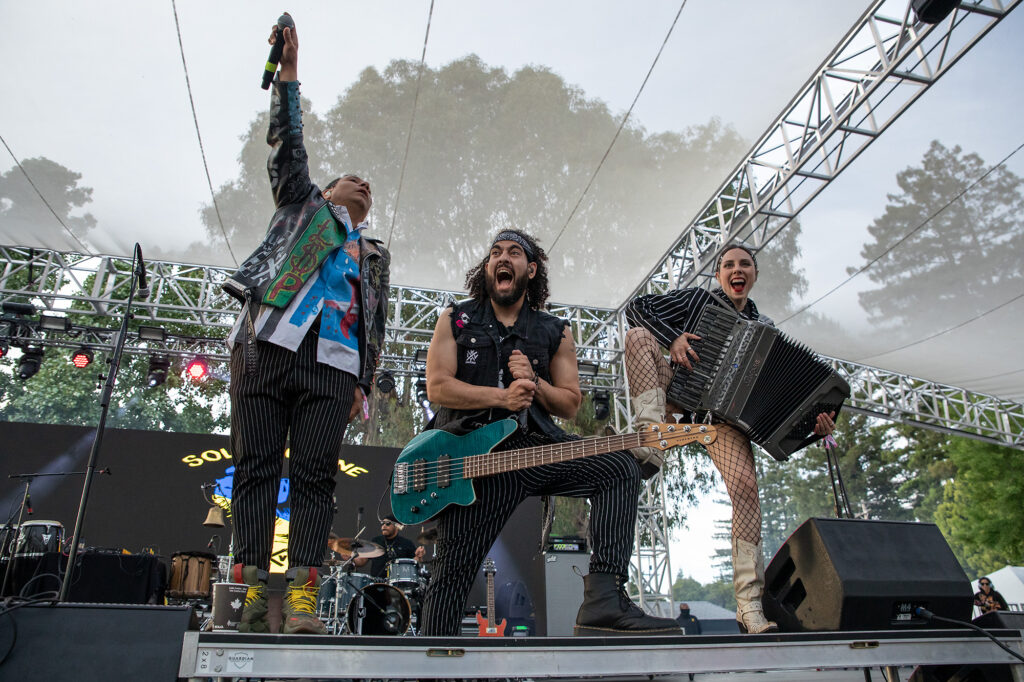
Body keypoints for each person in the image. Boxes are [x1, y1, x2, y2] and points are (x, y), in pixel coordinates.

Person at [418, 229, 680, 637]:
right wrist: (502, 397)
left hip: (534, 451)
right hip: (472, 464)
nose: (503, 258)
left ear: (531, 268)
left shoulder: (554, 329)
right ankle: (433, 663)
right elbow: (438, 387)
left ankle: (604, 600)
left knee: (618, 467)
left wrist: (536, 384)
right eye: (495, 253)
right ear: (488, 268)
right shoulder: (456, 318)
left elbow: (571, 403)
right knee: (450, 578)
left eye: (514, 253)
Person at [222, 17, 390, 635]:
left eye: (369, 187)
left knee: (316, 477)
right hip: (268, 347)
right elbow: (287, 144)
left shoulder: (373, 256)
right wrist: (289, 74)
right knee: (257, 468)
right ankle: (246, 598)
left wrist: (364, 385)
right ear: (326, 187)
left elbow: (376, 325)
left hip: (334, 366)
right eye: (352, 179)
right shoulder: (301, 205)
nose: (363, 185)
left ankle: (298, 605)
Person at [623, 243, 834, 634]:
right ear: (719, 275)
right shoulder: (697, 300)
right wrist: (672, 340)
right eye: (728, 265)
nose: (737, 270)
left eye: (745, 264)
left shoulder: (766, 329)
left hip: (721, 421)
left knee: (746, 488)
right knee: (637, 337)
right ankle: (650, 439)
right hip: (675, 396)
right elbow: (638, 307)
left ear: (753, 275)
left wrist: (812, 428)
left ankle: (749, 606)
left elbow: (781, 413)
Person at [354, 515, 425, 579]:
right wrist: (349, 556)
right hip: (376, 584)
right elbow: (362, 561)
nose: (383, 526)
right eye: (382, 523)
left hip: (397, 585)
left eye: (387, 523)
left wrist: (419, 556)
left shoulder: (406, 543)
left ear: (397, 526)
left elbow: (414, 563)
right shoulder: (376, 541)